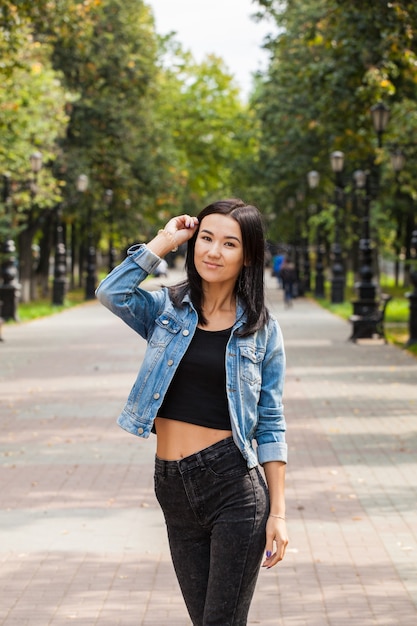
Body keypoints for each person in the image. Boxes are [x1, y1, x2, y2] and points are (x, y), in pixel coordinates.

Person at [96, 198, 288, 625]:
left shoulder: (262, 331)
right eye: (206, 238)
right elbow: (112, 292)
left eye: (229, 243)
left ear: (249, 255)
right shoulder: (166, 310)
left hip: (233, 486)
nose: (213, 252)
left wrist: (278, 513)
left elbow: (272, 424)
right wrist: (164, 240)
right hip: (172, 486)